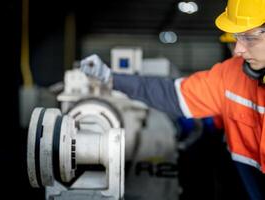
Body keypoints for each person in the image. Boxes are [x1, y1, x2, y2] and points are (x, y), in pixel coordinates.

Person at [79, 0, 265, 199]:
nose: (238, 50)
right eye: (236, 38)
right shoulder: (230, 75)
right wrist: (111, 78)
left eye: (249, 38)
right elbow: (170, 94)